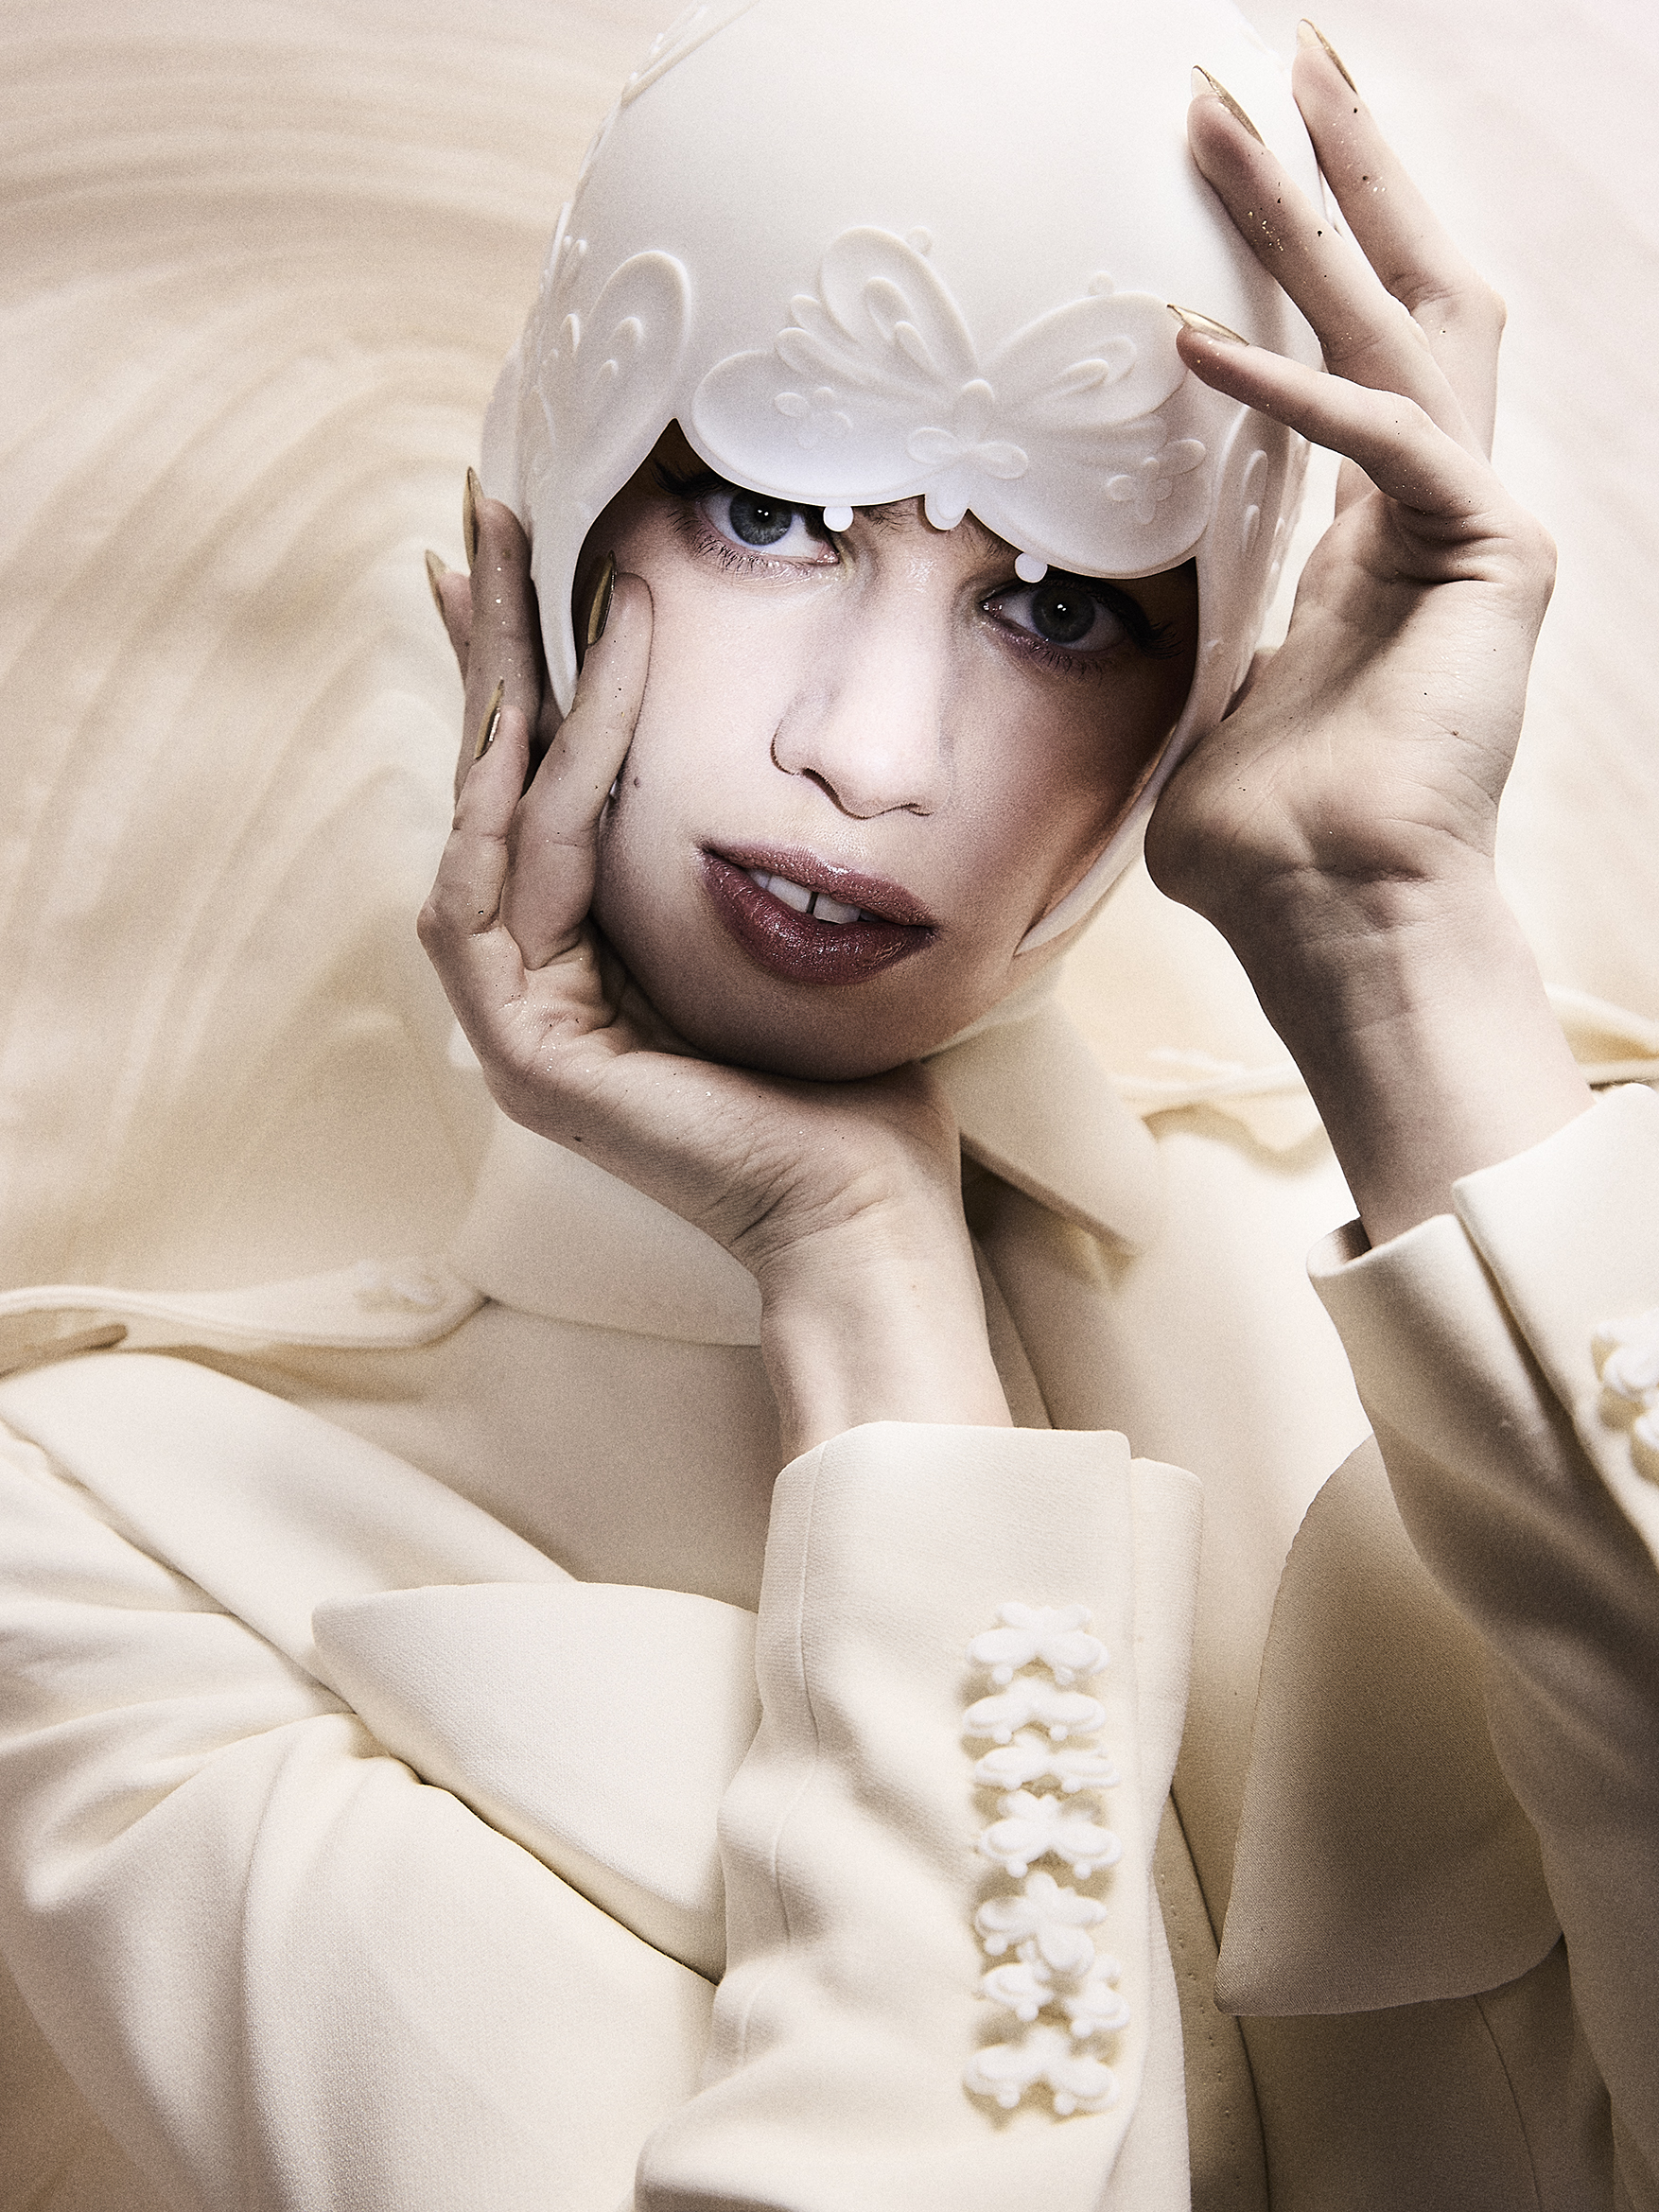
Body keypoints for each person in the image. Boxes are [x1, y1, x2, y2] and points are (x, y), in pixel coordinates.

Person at [0, 2, 1654, 2206]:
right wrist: (861, 1285)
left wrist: (1383, 933)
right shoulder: (114, 1544)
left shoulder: (1509, 1248)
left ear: (1212, 666)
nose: (870, 755)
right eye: (771, 513)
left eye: (1061, 605)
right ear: (565, 506)